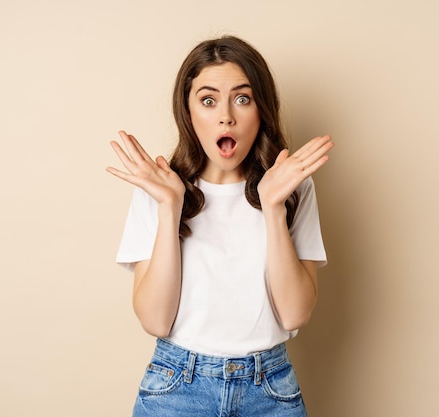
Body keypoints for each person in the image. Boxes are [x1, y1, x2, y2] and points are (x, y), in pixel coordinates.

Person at [106, 35, 333, 417]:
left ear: (261, 108)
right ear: (189, 112)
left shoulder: (292, 186)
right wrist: (170, 206)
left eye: (242, 98)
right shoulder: (160, 189)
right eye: (208, 100)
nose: (226, 116)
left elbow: (295, 314)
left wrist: (274, 207)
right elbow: (155, 320)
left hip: (270, 390)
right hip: (176, 388)